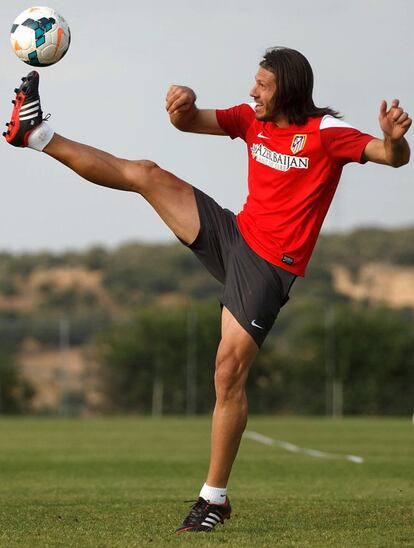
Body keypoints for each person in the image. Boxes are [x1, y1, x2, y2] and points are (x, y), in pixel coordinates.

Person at [4, 47, 411, 533]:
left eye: (262, 85)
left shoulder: (325, 135)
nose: (251, 92)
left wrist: (393, 139)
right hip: (234, 235)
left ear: (289, 88)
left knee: (227, 374)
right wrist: (184, 104)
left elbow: (391, 157)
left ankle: (214, 500)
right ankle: (37, 134)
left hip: (268, 268)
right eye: (254, 83)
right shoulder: (248, 119)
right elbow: (189, 120)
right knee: (147, 174)